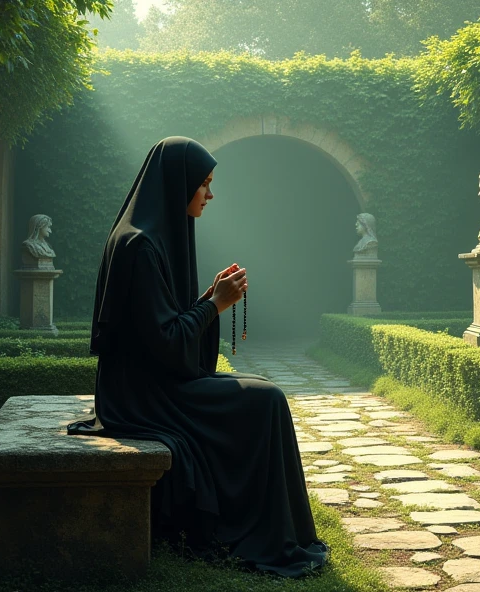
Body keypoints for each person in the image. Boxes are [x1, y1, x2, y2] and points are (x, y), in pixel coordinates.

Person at [68, 136, 328, 577]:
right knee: (266, 401)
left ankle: (284, 533)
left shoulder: (150, 238)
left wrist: (209, 296)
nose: (210, 194)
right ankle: (261, 533)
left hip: (154, 382)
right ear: (178, 184)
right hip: (141, 396)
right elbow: (167, 343)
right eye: (203, 183)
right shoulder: (140, 246)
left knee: (266, 397)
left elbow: (161, 329)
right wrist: (215, 305)